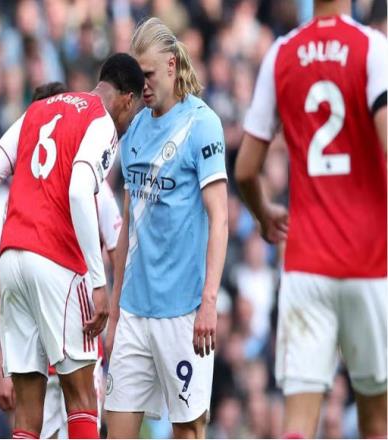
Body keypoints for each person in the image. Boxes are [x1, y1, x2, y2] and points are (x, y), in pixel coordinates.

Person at [235, 0, 387, 438]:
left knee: (298, 423)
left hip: (305, 262)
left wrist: (264, 214)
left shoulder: (281, 54)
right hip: (369, 260)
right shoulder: (372, 48)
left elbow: (245, 170)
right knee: (377, 421)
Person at [0, 53, 144, 439]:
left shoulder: (38, 109)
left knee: (26, 413)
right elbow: (80, 190)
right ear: (128, 99)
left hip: (12, 259)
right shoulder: (101, 120)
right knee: (81, 398)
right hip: (57, 262)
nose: (128, 123)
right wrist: (98, 283)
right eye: (133, 114)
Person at [104, 18, 229, 439]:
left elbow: (220, 218)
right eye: (137, 76)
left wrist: (209, 301)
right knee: (116, 428)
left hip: (183, 311)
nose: (142, 86)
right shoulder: (134, 128)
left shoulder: (202, 125)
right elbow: (127, 227)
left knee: (188, 430)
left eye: (150, 74)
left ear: (172, 66)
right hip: (134, 311)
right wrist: (115, 310)